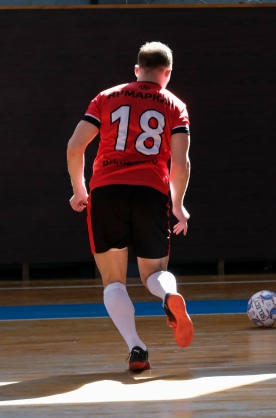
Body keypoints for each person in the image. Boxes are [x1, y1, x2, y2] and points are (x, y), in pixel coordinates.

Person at [67, 41, 194, 371]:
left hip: (106, 191)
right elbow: (181, 164)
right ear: (167, 73)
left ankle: (137, 348)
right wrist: (178, 204)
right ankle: (168, 296)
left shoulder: (106, 97)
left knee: (114, 281)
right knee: (155, 272)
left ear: (137, 70)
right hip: (151, 192)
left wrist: (79, 190)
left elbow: (75, 147)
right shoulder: (175, 105)